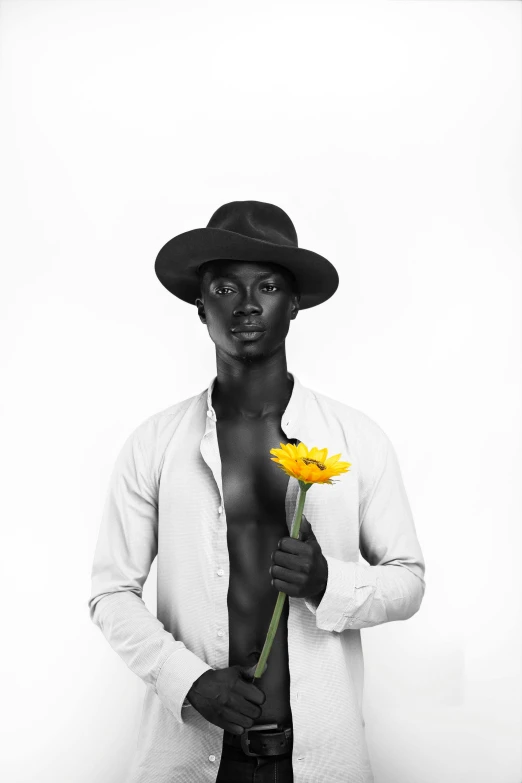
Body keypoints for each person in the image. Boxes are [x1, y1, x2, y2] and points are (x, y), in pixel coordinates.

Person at [88, 200, 426, 783]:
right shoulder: (155, 444)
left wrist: (329, 583)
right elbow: (110, 592)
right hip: (192, 752)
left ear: (294, 304)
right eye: (224, 289)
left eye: (267, 286)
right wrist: (187, 678)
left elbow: (409, 580)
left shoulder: (356, 439)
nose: (246, 305)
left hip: (321, 756)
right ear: (200, 307)